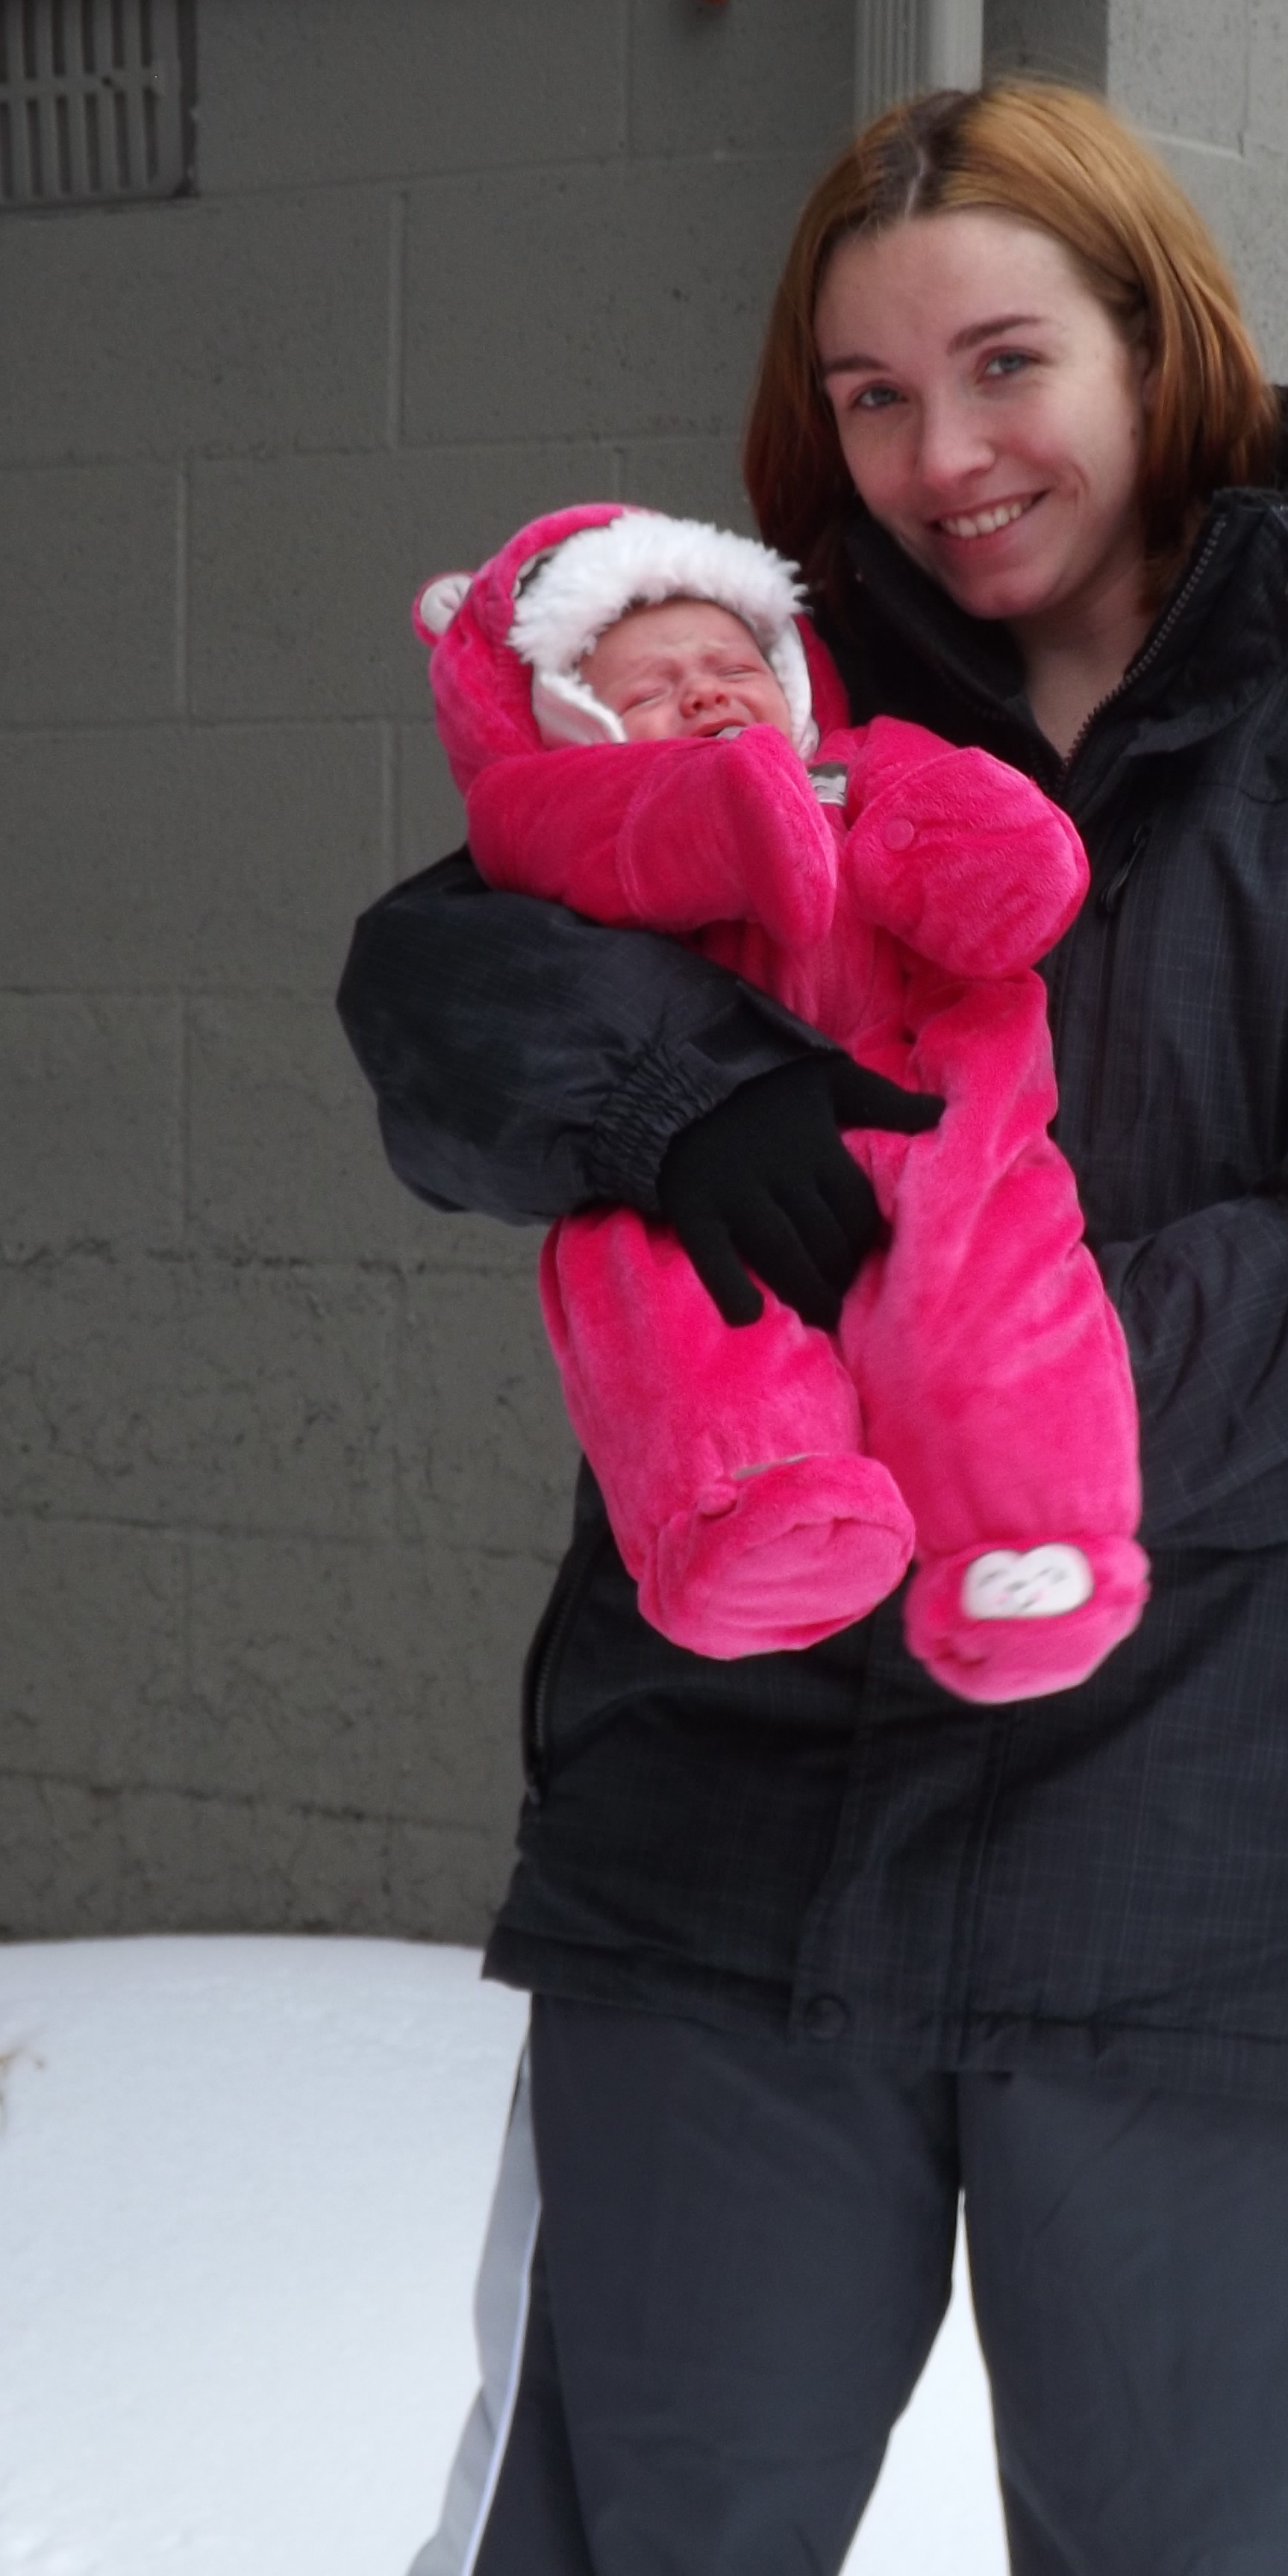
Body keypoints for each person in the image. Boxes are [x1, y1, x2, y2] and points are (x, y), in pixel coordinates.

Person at [339, 81, 1288, 2576]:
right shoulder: (739, 697)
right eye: (865, 394)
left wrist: (945, 1384)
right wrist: (672, 1086)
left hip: (1229, 1874)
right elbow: (434, 985)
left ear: (1158, 340)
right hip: (734, 1838)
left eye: (1003, 361)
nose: (939, 454)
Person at [410, 499, 1147, 1703]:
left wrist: (987, 868)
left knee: (1002, 1299)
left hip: (937, 1120)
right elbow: (593, 841)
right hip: (687, 1154)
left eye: (733, 666)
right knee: (670, 1310)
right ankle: (754, 1517)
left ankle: (1033, 1546)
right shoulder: (559, 813)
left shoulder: (864, 762)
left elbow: (950, 822)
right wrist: (730, 807)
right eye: (651, 687)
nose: (705, 694)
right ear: (569, 718)